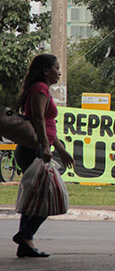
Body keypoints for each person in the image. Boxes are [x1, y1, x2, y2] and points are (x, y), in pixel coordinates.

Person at [12, 54, 74, 258]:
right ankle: (24, 235)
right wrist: (46, 147)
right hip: (34, 149)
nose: (59, 72)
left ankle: (25, 244)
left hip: (37, 147)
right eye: (57, 68)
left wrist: (61, 150)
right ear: (46, 71)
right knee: (48, 196)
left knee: (35, 197)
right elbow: (38, 118)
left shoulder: (42, 88)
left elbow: (47, 124)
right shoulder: (40, 88)